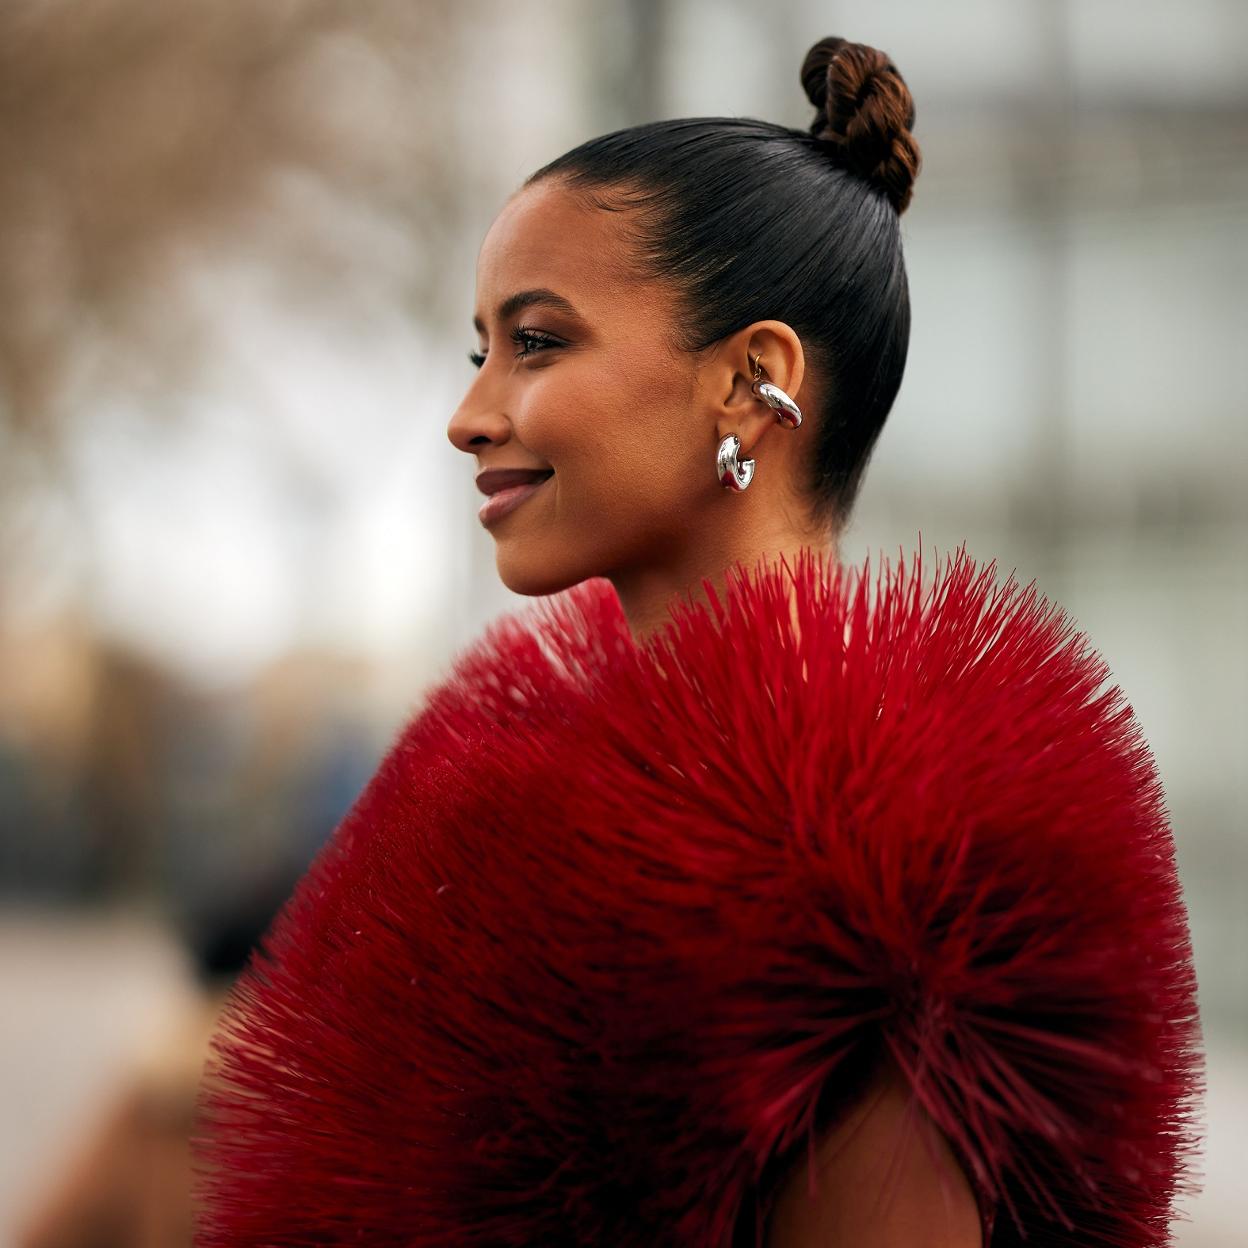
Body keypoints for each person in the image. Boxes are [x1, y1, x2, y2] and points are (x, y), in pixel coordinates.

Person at [191, 35, 1203, 1247]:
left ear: (749, 382)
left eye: (540, 341)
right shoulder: (501, 802)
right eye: (482, 350)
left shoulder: (884, 865)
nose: (470, 417)